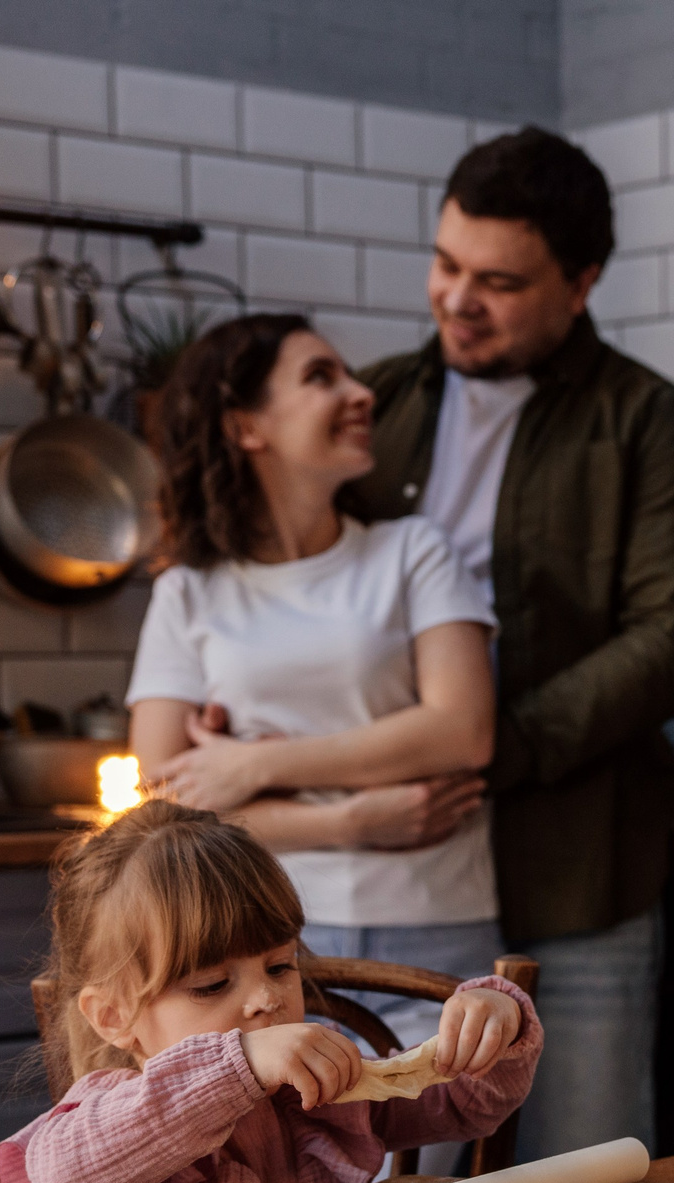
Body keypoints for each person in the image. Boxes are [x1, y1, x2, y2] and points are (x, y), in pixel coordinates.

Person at [340, 127, 674, 1161]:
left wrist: (489, 744)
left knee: (581, 1178)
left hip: (577, 877)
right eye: (446, 265)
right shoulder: (367, 409)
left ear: (582, 282)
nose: (458, 300)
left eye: (499, 282)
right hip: (401, 879)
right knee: (382, 1180)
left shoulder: (651, 425)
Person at [127, 314, 504, 1053]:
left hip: (431, 926)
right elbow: (161, 798)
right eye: (321, 377)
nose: (361, 393)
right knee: (293, 1170)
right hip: (256, 945)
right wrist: (346, 824)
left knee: (426, 1169)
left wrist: (252, 766)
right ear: (246, 426)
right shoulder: (190, 592)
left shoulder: (414, 553)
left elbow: (462, 729)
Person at [0, 802, 538, 1183]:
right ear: (112, 1018)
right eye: (212, 985)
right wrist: (237, 1064)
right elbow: (69, 1179)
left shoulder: (318, 1098)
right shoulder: (115, 1115)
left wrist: (493, 1027)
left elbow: (463, 1108)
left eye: (279, 967)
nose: (265, 999)